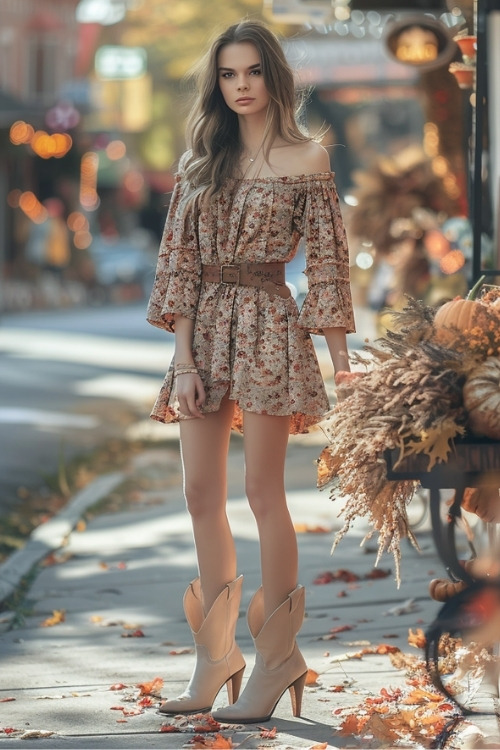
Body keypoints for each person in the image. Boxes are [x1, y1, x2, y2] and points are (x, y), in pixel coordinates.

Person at [146, 18, 355, 724]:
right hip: (201, 329)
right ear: (218, 83)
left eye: (252, 72)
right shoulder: (198, 161)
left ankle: (276, 659)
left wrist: (344, 369)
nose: (240, 86)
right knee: (200, 492)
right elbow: (177, 266)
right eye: (229, 75)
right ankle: (215, 657)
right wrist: (182, 360)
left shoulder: (308, 157)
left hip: (269, 323)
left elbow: (327, 270)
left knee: (264, 493)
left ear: (274, 78)